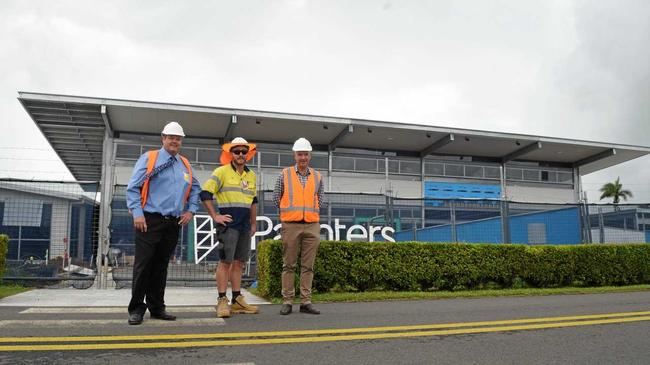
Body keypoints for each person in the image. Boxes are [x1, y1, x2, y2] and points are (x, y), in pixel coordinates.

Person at [125, 121, 201, 325]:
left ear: (181, 141)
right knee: (143, 266)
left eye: (178, 138)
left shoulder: (184, 164)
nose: (174, 141)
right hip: (149, 220)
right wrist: (137, 213)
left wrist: (191, 210)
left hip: (172, 223)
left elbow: (196, 189)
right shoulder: (149, 159)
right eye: (171, 137)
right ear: (163, 138)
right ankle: (136, 309)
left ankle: (157, 307)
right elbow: (133, 187)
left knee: (161, 267)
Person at [201, 137, 260, 318]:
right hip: (228, 225)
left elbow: (253, 201)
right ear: (230, 154)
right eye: (237, 151)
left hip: (244, 226)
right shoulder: (221, 172)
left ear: (247, 154)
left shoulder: (251, 175)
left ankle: (236, 300)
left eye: (244, 151)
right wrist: (215, 216)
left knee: (240, 263)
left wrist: (253, 223)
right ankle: (221, 300)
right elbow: (205, 194)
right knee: (225, 262)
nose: (240, 154)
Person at [274, 137, 325, 315]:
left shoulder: (318, 177)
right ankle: (287, 301)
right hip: (291, 225)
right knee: (288, 265)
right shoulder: (285, 174)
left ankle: (305, 302)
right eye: (300, 154)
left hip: (311, 225)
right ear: (294, 156)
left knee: (308, 266)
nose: (303, 157)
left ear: (309, 156)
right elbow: (276, 198)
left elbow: (320, 200)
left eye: (306, 154)